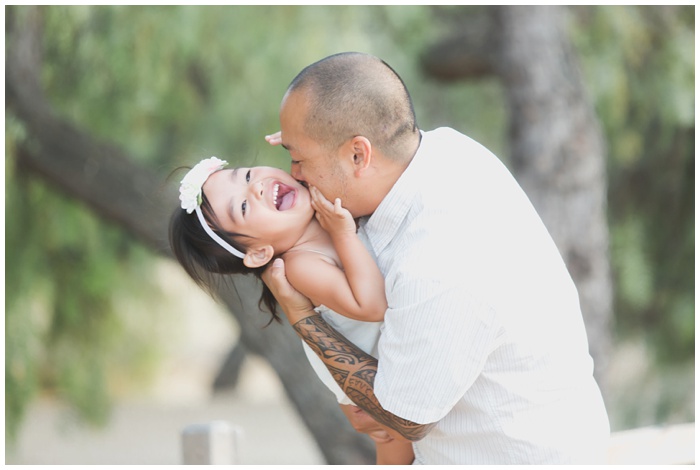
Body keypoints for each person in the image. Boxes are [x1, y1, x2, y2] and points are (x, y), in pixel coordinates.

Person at [262, 51, 611, 464]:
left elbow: (401, 419)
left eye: (298, 158)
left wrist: (299, 313)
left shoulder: (439, 257)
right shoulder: (445, 150)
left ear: (359, 155)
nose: (294, 173)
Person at [169, 157, 414, 464]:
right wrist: (343, 234)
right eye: (243, 208)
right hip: (365, 383)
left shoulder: (319, 201)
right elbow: (374, 304)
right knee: (396, 450)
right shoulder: (301, 264)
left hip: (388, 362)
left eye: (245, 175)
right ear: (260, 253)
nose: (255, 188)